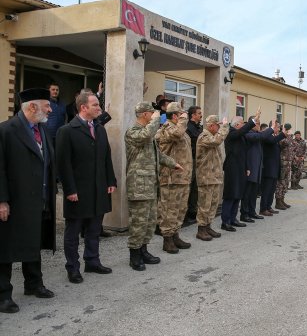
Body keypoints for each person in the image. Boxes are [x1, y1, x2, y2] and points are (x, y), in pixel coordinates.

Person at [0, 88, 57, 314]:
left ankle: (34, 284)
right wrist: (1, 200)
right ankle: (3, 295)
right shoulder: (6, 130)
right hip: (15, 201)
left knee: (33, 242)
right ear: (32, 107)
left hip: (39, 200)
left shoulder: (41, 130)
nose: (51, 110)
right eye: (47, 105)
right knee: (6, 248)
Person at [55, 91, 117, 284]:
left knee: (94, 229)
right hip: (78, 192)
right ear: (83, 107)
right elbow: (63, 164)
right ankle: (73, 268)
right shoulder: (66, 130)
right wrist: (70, 190)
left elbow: (106, 157)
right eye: (96, 105)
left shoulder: (99, 129)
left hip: (99, 189)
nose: (100, 108)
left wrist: (111, 181)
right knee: (73, 232)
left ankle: (92, 261)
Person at [124, 102, 182, 271]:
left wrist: (173, 163)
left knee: (149, 222)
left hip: (150, 184)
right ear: (144, 114)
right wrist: (156, 121)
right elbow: (147, 135)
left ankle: (144, 250)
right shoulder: (133, 132)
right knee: (138, 222)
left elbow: (158, 154)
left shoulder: (148, 133)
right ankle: (134, 254)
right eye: (152, 113)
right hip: (138, 185)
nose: (155, 115)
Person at [155, 102, 193, 254]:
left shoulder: (180, 129)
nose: (185, 117)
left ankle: (175, 234)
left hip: (183, 177)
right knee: (169, 209)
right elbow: (176, 134)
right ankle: (167, 238)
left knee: (180, 208)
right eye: (182, 114)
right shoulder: (166, 128)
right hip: (170, 177)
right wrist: (183, 120)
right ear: (175, 116)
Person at [221, 113, 259, 231]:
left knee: (238, 194)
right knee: (230, 195)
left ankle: (233, 219)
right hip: (232, 168)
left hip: (241, 168)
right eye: (243, 123)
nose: (244, 126)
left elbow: (244, 153)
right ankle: (225, 222)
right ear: (237, 124)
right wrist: (253, 121)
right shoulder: (231, 133)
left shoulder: (240, 135)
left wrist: (247, 167)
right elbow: (241, 132)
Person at [195, 115, 229, 241]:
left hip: (214, 176)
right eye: (217, 125)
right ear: (210, 126)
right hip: (206, 177)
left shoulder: (212, 135)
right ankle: (201, 229)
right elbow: (216, 141)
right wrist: (225, 127)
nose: (219, 127)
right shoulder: (204, 136)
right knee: (205, 204)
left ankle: (208, 226)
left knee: (213, 204)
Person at [240, 118, 273, 222]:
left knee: (254, 192)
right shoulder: (248, 133)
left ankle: (252, 211)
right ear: (252, 124)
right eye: (257, 123)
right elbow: (261, 136)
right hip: (250, 168)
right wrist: (271, 129)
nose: (258, 125)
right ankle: (244, 214)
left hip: (257, 168)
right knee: (247, 193)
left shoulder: (256, 133)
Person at [259, 121, 285, 216]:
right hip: (268, 168)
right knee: (266, 189)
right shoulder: (267, 135)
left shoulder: (274, 136)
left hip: (274, 167)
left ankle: (268, 207)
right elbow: (271, 141)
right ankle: (263, 208)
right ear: (272, 127)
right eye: (277, 127)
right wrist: (283, 134)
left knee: (271, 189)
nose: (278, 129)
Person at [184, 106, 203, 226]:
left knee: (196, 187)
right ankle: (186, 213)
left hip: (199, 159)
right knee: (189, 187)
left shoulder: (199, 127)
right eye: (199, 113)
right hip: (191, 159)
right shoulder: (188, 127)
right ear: (193, 115)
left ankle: (193, 211)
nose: (201, 115)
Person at [275, 123, 293, 209]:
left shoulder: (287, 136)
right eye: (287, 129)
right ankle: (278, 201)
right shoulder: (280, 136)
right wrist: (287, 135)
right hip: (283, 162)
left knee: (286, 182)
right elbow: (284, 143)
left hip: (288, 162)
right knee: (281, 182)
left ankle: (282, 199)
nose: (288, 130)